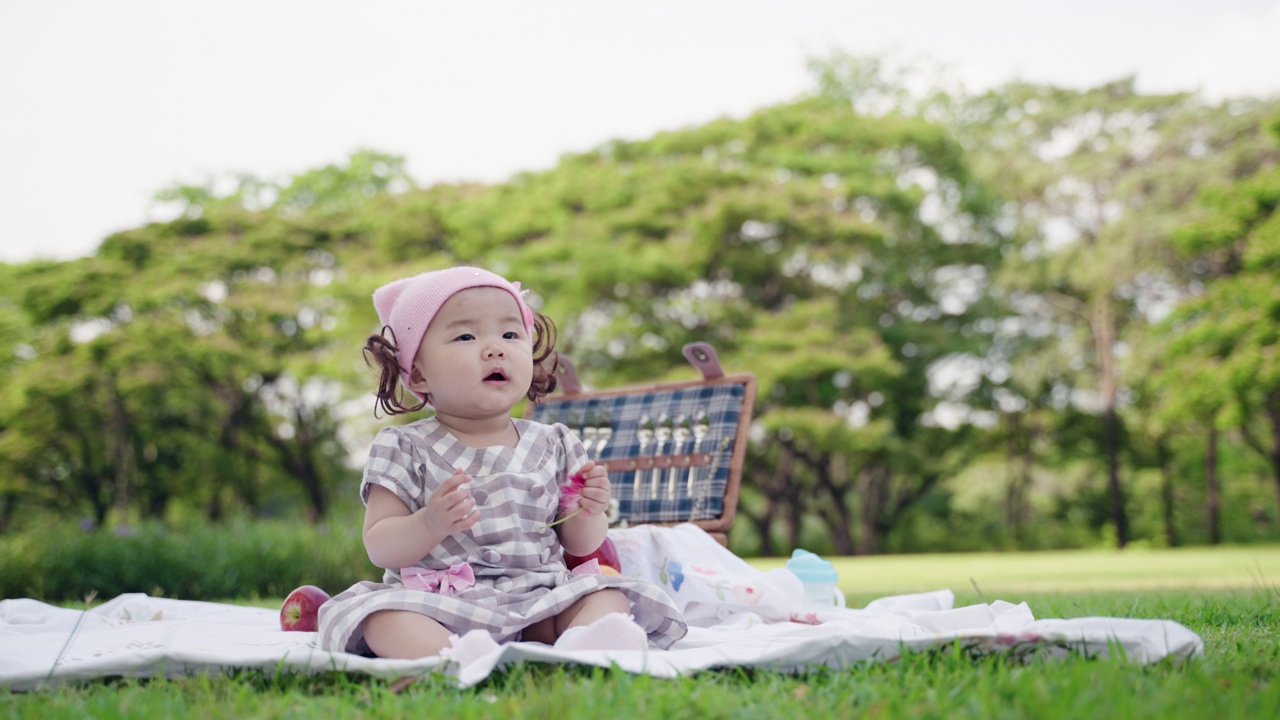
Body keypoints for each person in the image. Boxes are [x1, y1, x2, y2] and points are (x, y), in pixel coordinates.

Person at [317, 266, 687, 660]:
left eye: (511, 334)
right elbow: (380, 546)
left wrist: (588, 510)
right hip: (440, 606)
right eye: (465, 335)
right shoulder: (404, 445)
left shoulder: (555, 442)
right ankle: (457, 656)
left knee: (608, 595)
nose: (495, 348)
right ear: (420, 374)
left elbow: (582, 544)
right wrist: (430, 523)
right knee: (382, 618)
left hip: (539, 600)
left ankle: (581, 645)